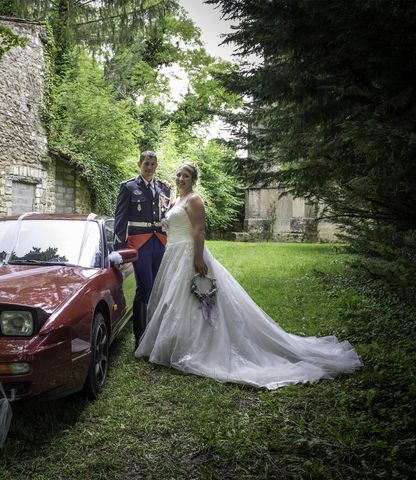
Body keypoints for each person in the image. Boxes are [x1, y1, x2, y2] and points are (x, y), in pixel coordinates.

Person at [135, 163, 362, 389]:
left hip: (188, 254)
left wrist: (198, 258)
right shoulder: (177, 199)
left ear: (193, 180)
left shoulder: (195, 200)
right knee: (174, 301)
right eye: (179, 175)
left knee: (194, 301)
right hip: (173, 255)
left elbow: (198, 230)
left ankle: (196, 347)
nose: (181, 178)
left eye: (186, 176)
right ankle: (173, 344)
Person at [114, 150, 171, 349]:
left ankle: (154, 334)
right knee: (144, 288)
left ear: (156, 166)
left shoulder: (164, 187)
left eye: (153, 164)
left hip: (159, 243)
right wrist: (119, 250)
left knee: (156, 287)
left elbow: (167, 216)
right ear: (139, 164)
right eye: (146, 163)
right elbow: (120, 220)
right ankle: (140, 338)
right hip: (140, 244)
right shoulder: (128, 187)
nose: (149, 167)